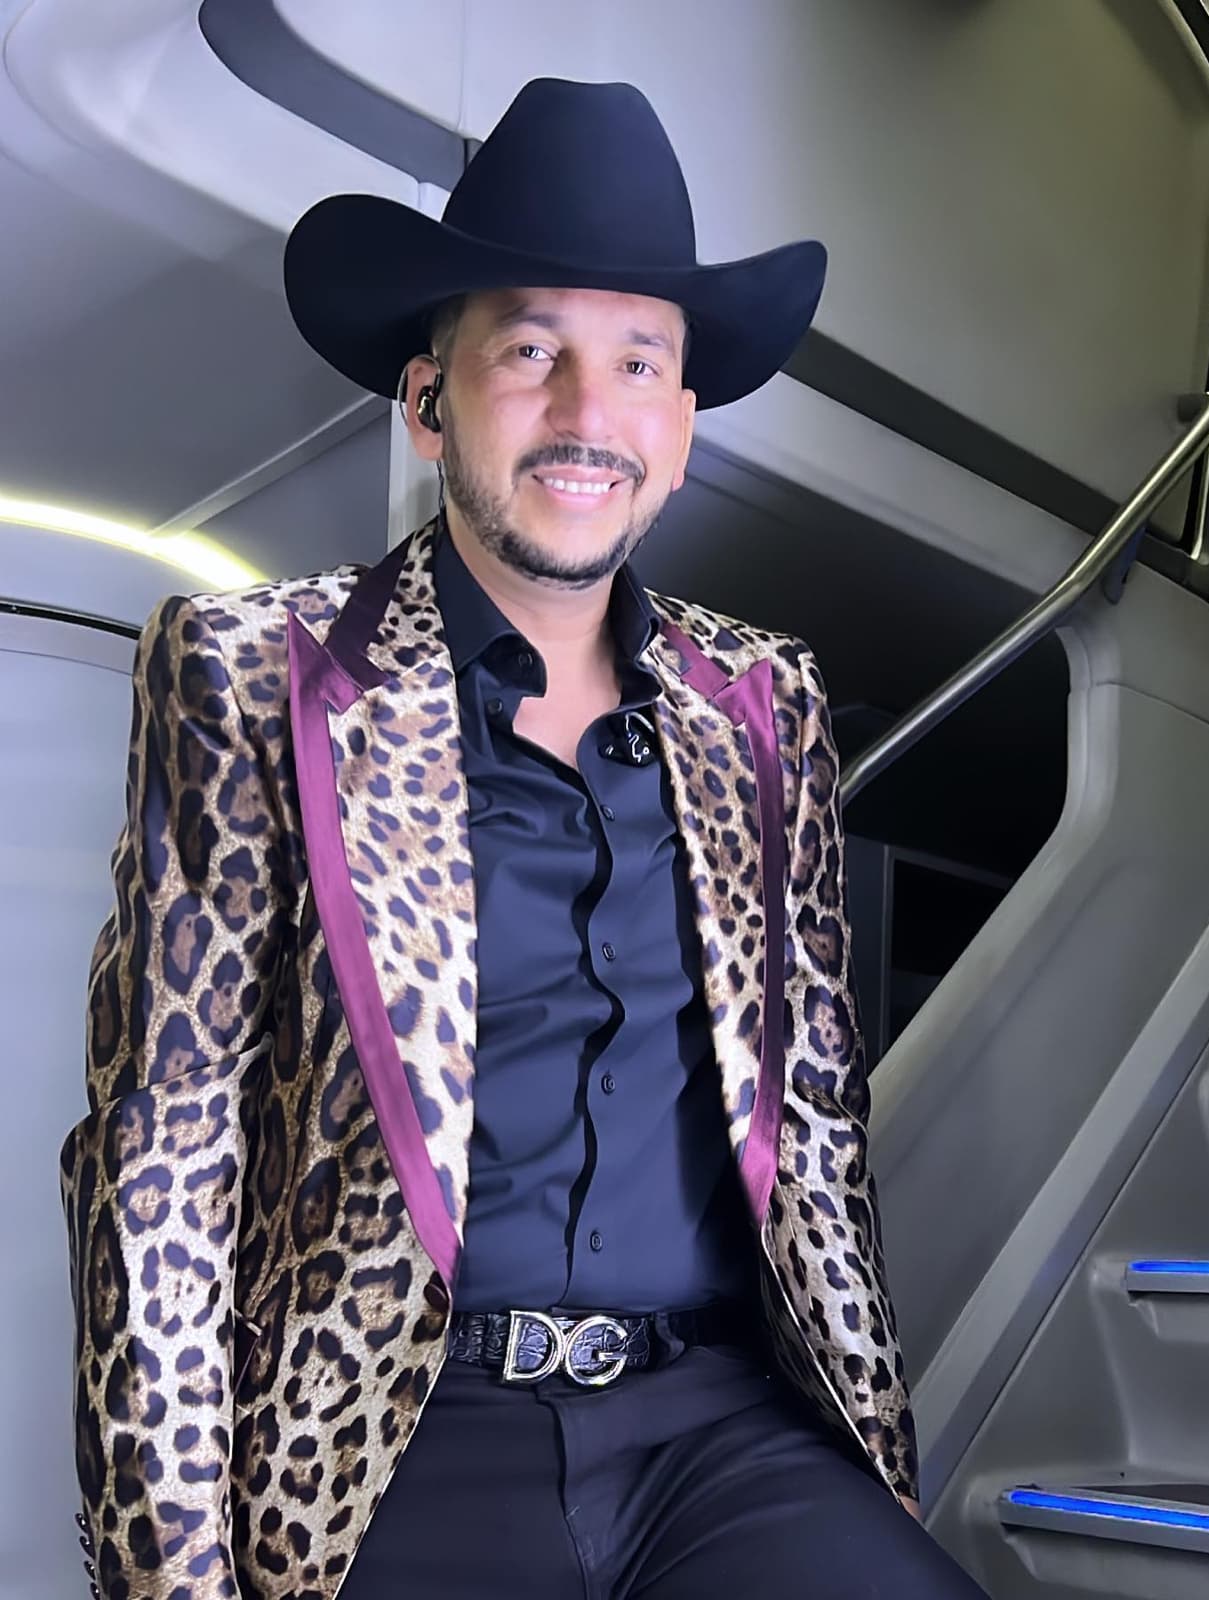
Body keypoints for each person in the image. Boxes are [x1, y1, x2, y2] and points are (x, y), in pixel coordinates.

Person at [62, 76, 988, 1600]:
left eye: (637, 364)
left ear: (680, 433)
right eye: (532, 350)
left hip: (715, 1427)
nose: (585, 414)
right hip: (395, 1439)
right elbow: (161, 1164)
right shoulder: (255, 676)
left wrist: (872, 1478)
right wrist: (174, 1581)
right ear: (431, 401)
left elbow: (820, 1133)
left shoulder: (768, 708)